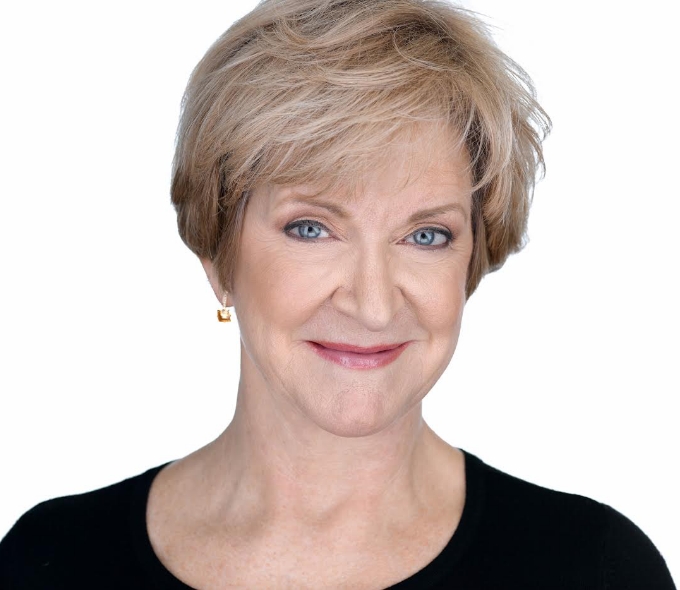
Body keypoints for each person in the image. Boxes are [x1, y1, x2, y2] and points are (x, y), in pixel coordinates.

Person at [0, 0, 676, 588]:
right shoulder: (49, 562)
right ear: (217, 253)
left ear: (472, 258)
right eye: (311, 228)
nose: (373, 305)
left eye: (427, 236)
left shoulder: (595, 568)